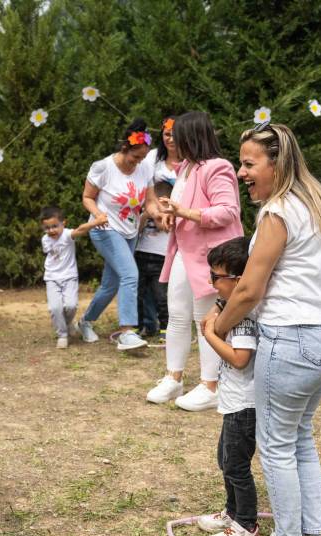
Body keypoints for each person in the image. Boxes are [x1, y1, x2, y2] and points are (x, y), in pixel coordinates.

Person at [211, 122, 321, 536]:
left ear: (277, 163)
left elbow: (249, 289)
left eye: (249, 163)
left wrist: (219, 326)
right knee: (299, 438)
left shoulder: (278, 212)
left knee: (275, 446)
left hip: (294, 340)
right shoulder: (314, 201)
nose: (241, 172)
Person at [148, 111, 243, 411]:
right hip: (184, 252)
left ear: (192, 136)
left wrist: (184, 213)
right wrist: (171, 215)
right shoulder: (186, 168)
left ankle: (210, 385)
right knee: (177, 314)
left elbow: (228, 211)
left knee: (205, 318)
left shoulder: (218, 167)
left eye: (178, 135)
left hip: (209, 257)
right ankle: (173, 377)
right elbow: (183, 207)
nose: (172, 140)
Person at [195, 237, 259, 536]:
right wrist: (217, 309)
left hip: (245, 405)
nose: (212, 282)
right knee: (225, 459)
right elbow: (219, 306)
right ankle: (232, 512)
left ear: (239, 280)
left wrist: (209, 334)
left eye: (217, 277)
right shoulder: (231, 308)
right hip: (234, 402)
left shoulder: (243, 318)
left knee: (236, 466)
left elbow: (240, 358)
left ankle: (246, 524)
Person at [75, 118, 153, 350]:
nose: (138, 162)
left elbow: (150, 202)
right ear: (124, 148)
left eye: (142, 158)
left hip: (130, 231)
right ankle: (127, 332)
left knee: (110, 285)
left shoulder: (144, 167)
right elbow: (87, 197)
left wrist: (160, 212)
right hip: (105, 229)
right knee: (130, 274)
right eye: (134, 157)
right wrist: (98, 214)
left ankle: (85, 322)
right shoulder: (103, 167)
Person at [137, 115, 179, 341]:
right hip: (148, 233)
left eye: (175, 134)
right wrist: (152, 212)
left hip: (176, 231)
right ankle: (147, 324)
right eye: (166, 134)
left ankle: (169, 325)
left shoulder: (191, 162)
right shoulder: (152, 159)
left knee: (164, 288)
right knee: (144, 286)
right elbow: (143, 190)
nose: (170, 139)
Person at [40, 206, 96, 348]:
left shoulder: (67, 234)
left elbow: (81, 230)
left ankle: (67, 323)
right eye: (47, 228)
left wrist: (96, 222)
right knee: (55, 308)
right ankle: (62, 335)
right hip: (52, 277)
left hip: (69, 276)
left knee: (71, 306)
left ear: (63, 223)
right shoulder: (45, 240)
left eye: (54, 226)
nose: (51, 230)